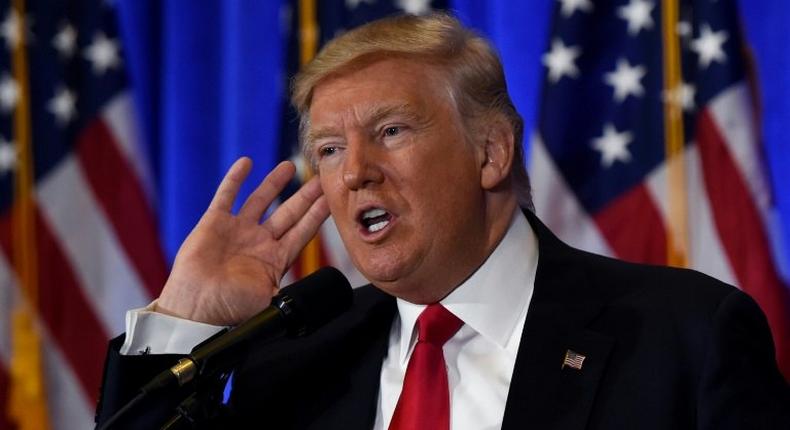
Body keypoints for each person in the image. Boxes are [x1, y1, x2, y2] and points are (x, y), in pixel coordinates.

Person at [94, 13, 789, 429]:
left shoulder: (685, 337)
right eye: (329, 150)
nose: (353, 171)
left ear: (490, 153)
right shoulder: (294, 361)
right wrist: (186, 318)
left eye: (391, 131)